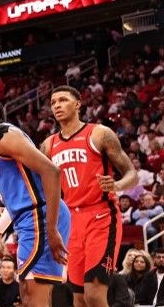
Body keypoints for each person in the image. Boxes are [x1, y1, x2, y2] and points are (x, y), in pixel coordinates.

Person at [0, 94, 70, 307]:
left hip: (40, 217)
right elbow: (19, 199)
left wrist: (51, 229)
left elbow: (52, 172)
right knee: (26, 294)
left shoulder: (4, 134)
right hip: (28, 220)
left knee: (35, 298)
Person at [43, 85, 138, 307]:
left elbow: (132, 174)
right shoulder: (48, 145)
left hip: (102, 216)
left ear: (77, 104)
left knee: (94, 294)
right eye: (53, 102)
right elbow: (40, 187)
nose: (57, 105)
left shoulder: (99, 133)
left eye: (63, 100)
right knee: (78, 298)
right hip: (71, 222)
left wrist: (116, 184)